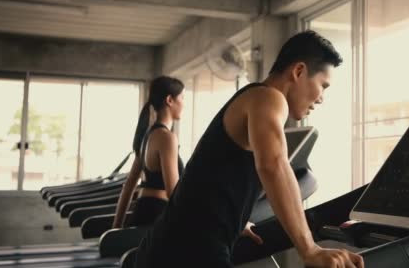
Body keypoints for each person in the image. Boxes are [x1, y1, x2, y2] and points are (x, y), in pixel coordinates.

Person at [134, 31, 364, 267]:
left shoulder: (253, 98)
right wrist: (310, 249)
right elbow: (273, 166)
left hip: (178, 244)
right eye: (323, 86)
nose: (321, 99)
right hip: (184, 250)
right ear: (298, 71)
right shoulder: (268, 98)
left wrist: (234, 218)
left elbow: (210, 176)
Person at [112, 76, 185, 228]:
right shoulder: (167, 138)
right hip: (157, 215)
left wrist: (116, 228)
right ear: (170, 100)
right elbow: (174, 193)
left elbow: (129, 186)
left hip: (143, 211)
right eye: (182, 98)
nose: (184, 104)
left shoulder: (147, 136)